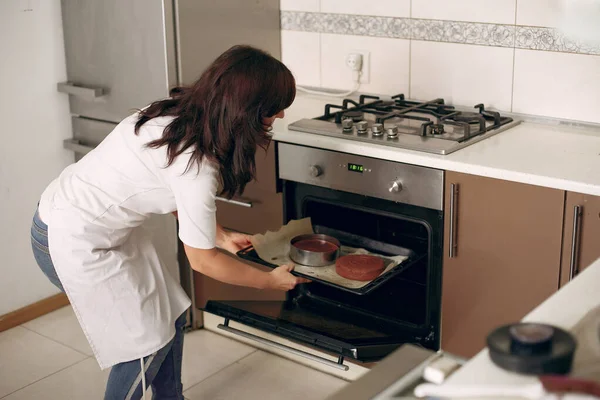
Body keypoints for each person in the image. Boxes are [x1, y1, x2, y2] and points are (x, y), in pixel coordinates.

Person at [29, 45, 309, 400]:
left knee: (171, 315)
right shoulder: (196, 166)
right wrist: (268, 281)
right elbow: (202, 261)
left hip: (95, 227)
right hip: (71, 240)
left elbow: (173, 192)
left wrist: (219, 236)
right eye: (275, 107)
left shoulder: (181, 115)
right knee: (143, 345)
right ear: (247, 111)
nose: (281, 114)